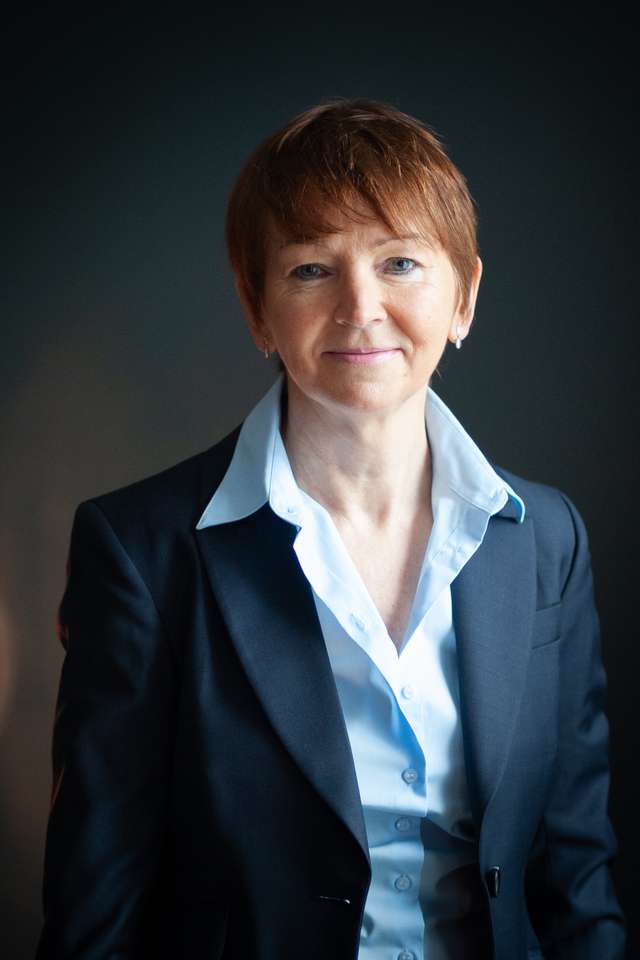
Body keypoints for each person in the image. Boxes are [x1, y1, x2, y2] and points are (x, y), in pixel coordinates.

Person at [36, 98, 625, 960]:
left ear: (465, 297)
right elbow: (98, 907)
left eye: (399, 263)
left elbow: (579, 879)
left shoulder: (546, 539)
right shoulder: (140, 551)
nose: (360, 306)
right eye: (311, 269)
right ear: (256, 307)